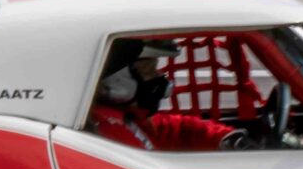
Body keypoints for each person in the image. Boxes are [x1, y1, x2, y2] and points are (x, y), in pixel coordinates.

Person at [87, 39, 251, 152]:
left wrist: (225, 138)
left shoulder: (129, 118)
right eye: (148, 71)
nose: (158, 79)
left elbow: (179, 129)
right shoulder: (110, 131)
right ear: (116, 79)